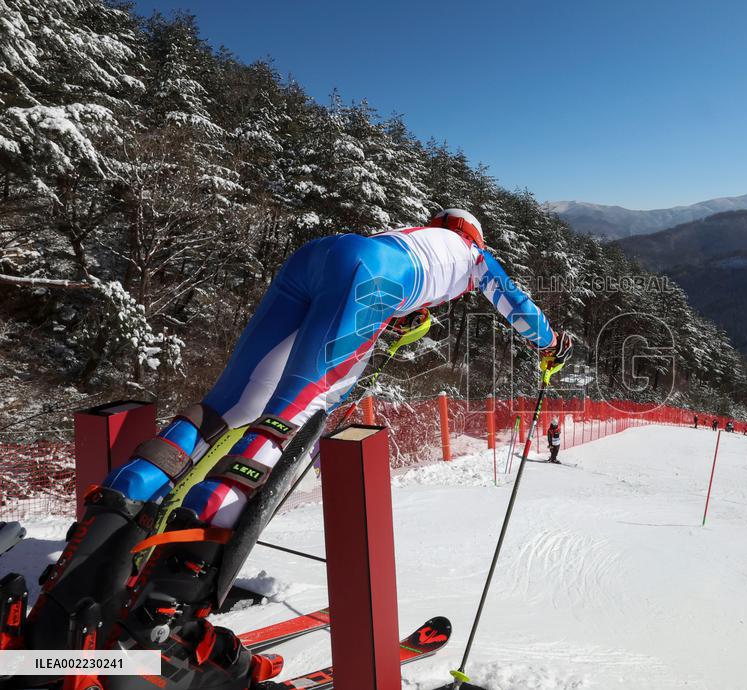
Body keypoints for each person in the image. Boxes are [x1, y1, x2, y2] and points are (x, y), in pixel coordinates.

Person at [25, 209, 573, 690]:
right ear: (473, 233)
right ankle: (172, 596)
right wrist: (551, 346)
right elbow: (514, 303)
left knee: (225, 407)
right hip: (370, 280)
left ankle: (84, 562)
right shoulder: (473, 255)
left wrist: (394, 316)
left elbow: (385, 284)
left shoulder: (414, 236)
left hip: (320, 256)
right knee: (289, 418)